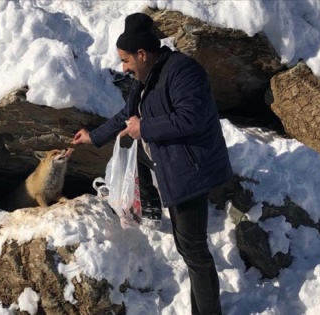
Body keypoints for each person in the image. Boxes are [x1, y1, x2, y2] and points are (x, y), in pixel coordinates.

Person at [72, 12, 233, 315]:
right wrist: (93, 136)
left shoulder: (184, 71)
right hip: (169, 159)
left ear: (142, 54)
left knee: (194, 251)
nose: (123, 67)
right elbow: (126, 115)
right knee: (128, 145)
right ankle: (149, 206)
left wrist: (144, 128)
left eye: (126, 60)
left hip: (191, 169)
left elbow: (191, 118)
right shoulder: (144, 77)